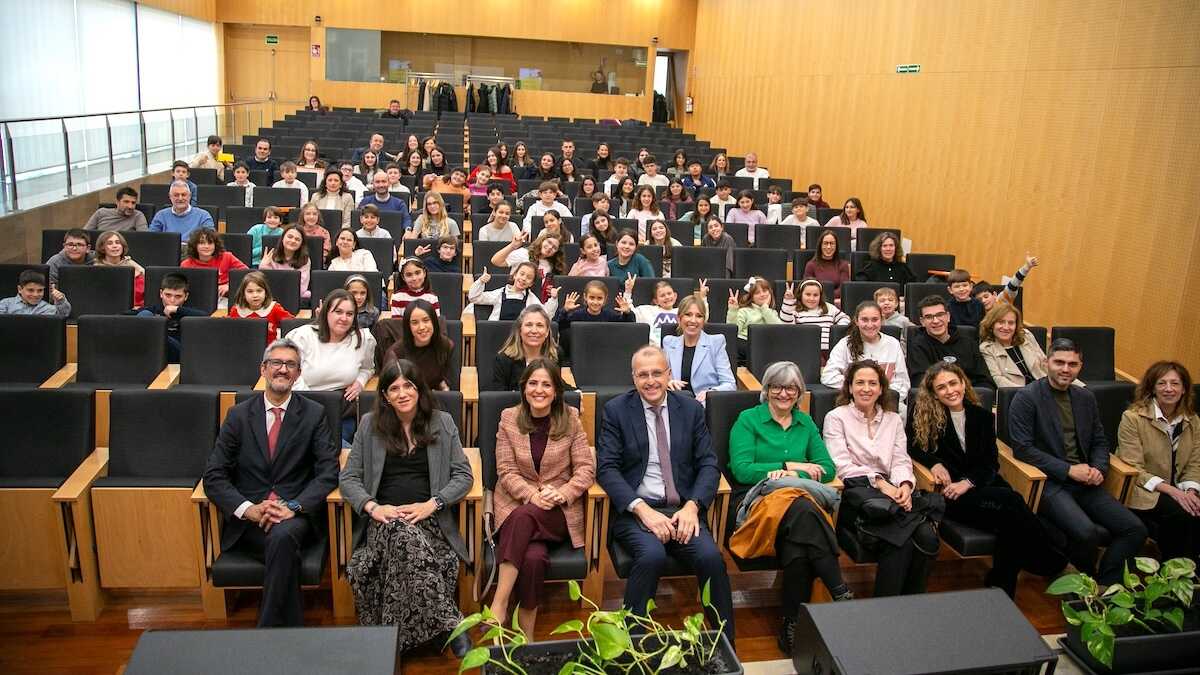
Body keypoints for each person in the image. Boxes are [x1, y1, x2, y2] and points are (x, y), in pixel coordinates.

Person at [597, 345, 735, 644]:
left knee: (711, 557)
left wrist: (693, 507)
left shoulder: (690, 409)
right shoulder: (616, 410)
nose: (650, 381)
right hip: (637, 512)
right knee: (651, 555)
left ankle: (725, 646)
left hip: (682, 509)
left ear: (668, 374)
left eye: (657, 373)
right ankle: (629, 647)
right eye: (643, 375)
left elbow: (709, 464)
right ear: (633, 377)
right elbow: (606, 469)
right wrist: (642, 510)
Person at [338, 359, 473, 657]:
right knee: (401, 532)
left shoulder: (442, 422)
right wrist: (373, 507)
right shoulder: (369, 425)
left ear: (419, 389)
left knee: (406, 539)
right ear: (385, 395)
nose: (402, 394)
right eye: (394, 388)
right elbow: (348, 478)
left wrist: (432, 504)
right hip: (382, 523)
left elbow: (464, 475)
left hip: (430, 522)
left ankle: (390, 644)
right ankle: (451, 624)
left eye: (408, 386)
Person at [202, 337, 338, 627]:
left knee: (283, 536)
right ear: (263, 369)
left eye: (291, 365)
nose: (283, 369)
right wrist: (248, 509)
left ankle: (268, 631)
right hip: (250, 522)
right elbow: (214, 475)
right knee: (282, 544)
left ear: (298, 374)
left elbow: (328, 472)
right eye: (276, 363)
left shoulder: (314, 414)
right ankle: (283, 633)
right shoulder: (238, 416)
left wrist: (293, 506)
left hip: (295, 516)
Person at [909, 362, 1066, 596]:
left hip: (981, 486)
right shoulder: (925, 417)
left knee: (1010, 520)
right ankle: (1047, 560)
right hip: (952, 495)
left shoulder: (982, 417)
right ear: (933, 393)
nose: (950, 390)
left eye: (953, 383)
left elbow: (991, 463)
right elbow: (912, 448)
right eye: (941, 387)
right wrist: (935, 463)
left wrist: (968, 482)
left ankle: (1001, 585)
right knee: (1013, 504)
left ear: (963, 383)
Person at [728, 362, 850, 651]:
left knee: (800, 536)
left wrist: (791, 475)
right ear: (767, 389)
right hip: (758, 500)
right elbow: (742, 470)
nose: (784, 393)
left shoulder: (805, 422)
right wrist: (790, 465)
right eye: (777, 387)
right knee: (804, 509)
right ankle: (839, 590)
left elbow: (827, 469)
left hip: (797, 508)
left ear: (799, 392)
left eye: (791, 388)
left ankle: (790, 624)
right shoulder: (748, 419)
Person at [1009, 339, 1148, 585]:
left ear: (1080, 366)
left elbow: (1099, 441)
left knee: (1135, 529)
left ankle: (1106, 585)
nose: (1065, 369)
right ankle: (1083, 587)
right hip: (1048, 482)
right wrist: (1068, 470)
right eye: (1059, 362)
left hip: (1086, 481)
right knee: (1086, 533)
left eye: (1072, 364)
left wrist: (1099, 469)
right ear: (1046, 362)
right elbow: (1023, 449)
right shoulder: (1027, 397)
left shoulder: (1085, 397)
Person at [488, 359, 595, 636]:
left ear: (556, 390)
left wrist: (562, 493)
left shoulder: (570, 417)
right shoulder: (509, 418)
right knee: (533, 559)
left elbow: (585, 468)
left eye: (546, 384)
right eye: (533, 383)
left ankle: (499, 603)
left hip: (558, 512)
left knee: (524, 517)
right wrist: (531, 495)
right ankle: (527, 638)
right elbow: (506, 470)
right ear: (524, 388)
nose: (539, 390)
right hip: (517, 503)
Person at [825, 359, 938, 597]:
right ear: (849, 387)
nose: (866, 388)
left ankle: (912, 604)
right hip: (858, 497)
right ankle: (886, 608)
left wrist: (904, 485)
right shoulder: (836, 417)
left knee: (928, 537)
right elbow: (841, 465)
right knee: (899, 541)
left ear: (881, 389)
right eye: (860, 383)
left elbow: (900, 459)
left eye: (872, 383)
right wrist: (880, 483)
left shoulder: (893, 419)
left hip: (895, 495)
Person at [1118, 361, 1200, 563]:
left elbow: (1195, 463)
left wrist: (1191, 492)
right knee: (1181, 514)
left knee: (1194, 508)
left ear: (1184, 389)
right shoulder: (1133, 418)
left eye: (1175, 383)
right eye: (1162, 383)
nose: (1169, 389)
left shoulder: (1193, 420)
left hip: (1180, 487)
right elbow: (1134, 468)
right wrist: (1174, 492)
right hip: (1145, 490)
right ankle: (1176, 572)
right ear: (1152, 388)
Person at [286, 289, 377, 444]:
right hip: (302, 407)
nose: (344, 318)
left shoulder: (363, 339)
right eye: (338, 312)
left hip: (341, 413)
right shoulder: (302, 336)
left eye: (349, 314)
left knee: (334, 447)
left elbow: (368, 368)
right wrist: (313, 408)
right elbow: (288, 373)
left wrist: (360, 382)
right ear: (326, 312)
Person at [821, 301, 910, 413]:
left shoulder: (893, 344)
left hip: (886, 402)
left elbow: (902, 381)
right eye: (864, 320)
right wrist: (858, 389)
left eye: (874, 319)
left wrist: (880, 395)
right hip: (853, 402)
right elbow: (828, 376)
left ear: (882, 320)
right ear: (856, 321)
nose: (870, 325)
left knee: (904, 412)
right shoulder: (845, 344)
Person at [978, 303, 1076, 388]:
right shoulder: (987, 348)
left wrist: (1078, 385)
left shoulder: (1026, 336)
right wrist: (1028, 394)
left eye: (1011, 323)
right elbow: (998, 380)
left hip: (1046, 388)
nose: (1006, 327)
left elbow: (1046, 364)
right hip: (1018, 394)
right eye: (1001, 322)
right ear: (992, 324)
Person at [908, 295, 994, 390]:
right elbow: (921, 383)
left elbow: (985, 381)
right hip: (936, 396)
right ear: (922, 322)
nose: (935, 321)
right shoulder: (917, 346)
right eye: (929, 317)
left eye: (940, 315)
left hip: (970, 395)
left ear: (948, 316)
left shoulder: (968, 342)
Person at [662, 295, 735, 403]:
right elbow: (659, 377)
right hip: (676, 403)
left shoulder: (716, 342)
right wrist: (667, 383)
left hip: (704, 405)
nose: (693, 320)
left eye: (699, 316)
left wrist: (710, 393)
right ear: (679, 318)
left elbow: (730, 384)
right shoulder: (669, 342)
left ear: (704, 320)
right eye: (688, 314)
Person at [133, 273, 208, 362]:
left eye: (178, 296)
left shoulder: (190, 313)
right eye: (168, 295)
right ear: (161, 294)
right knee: (145, 315)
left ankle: (156, 333)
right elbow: (122, 317)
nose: (172, 300)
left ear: (186, 296)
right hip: (151, 354)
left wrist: (177, 309)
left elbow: (207, 318)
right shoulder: (153, 310)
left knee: (149, 324)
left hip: (179, 354)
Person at [381, 299, 453, 391]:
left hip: (436, 397)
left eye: (426, 320)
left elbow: (449, 382)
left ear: (434, 322)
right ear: (408, 326)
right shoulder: (395, 354)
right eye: (415, 323)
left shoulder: (446, 346)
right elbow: (390, 390)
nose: (422, 327)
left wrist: (445, 388)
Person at [491, 306, 561, 391]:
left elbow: (559, 386)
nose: (534, 331)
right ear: (520, 330)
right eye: (529, 325)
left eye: (539, 325)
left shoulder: (555, 356)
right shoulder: (503, 360)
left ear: (547, 332)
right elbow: (499, 396)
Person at [469, 263, 559, 323]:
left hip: (519, 336)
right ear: (515, 275)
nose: (523, 278)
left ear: (531, 283)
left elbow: (546, 316)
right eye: (522, 274)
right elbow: (474, 298)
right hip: (496, 332)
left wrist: (553, 299)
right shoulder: (500, 293)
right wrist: (481, 281)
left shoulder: (531, 298)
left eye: (529, 277)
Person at [780, 279, 850, 355]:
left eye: (815, 295)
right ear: (801, 295)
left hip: (830, 351)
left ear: (820, 296)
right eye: (808, 294)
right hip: (804, 351)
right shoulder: (794, 309)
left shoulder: (829, 307)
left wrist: (836, 331)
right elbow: (786, 326)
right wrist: (788, 302)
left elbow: (845, 318)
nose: (811, 298)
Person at [227, 270, 295, 344]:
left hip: (269, 348)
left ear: (266, 293)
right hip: (243, 346)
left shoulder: (274, 308)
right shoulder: (236, 310)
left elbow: (292, 323)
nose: (255, 295)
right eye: (250, 291)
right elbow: (228, 330)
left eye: (259, 291)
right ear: (243, 294)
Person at [181, 227, 247, 299]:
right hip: (198, 298)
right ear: (194, 246)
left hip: (226, 297)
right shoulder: (186, 264)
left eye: (210, 243)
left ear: (215, 245)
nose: (206, 246)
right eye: (202, 243)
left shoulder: (227, 257)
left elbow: (247, 273)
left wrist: (229, 285)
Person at [727, 277, 781, 363]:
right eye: (757, 293)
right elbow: (733, 331)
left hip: (765, 345)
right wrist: (733, 310)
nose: (762, 294)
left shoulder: (772, 312)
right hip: (745, 343)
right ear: (751, 297)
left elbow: (779, 329)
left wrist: (765, 308)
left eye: (765, 291)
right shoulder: (744, 311)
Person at [93, 231, 147, 307]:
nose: (114, 246)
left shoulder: (133, 266)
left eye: (118, 243)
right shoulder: (96, 268)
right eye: (110, 243)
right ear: (102, 248)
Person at [259, 224, 312, 300]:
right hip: (271, 298)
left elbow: (301, 289)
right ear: (282, 238)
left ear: (301, 244)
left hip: (294, 298)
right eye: (290, 237)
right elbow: (264, 285)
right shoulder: (270, 256)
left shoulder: (304, 260)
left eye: (297, 239)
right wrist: (263, 267)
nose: (293, 241)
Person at [973, 254, 1040, 312]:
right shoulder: (977, 313)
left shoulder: (1001, 301)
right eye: (979, 300)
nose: (983, 301)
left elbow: (1013, 284)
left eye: (986, 296)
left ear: (994, 295)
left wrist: (1026, 267)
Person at [149, 181, 214, 238]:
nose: (180, 198)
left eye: (183, 195)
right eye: (176, 195)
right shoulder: (160, 215)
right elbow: (151, 238)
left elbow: (210, 239)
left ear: (190, 196)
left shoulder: (203, 216)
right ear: (170, 196)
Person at [803, 229, 851, 304]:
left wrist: (826, 297)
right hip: (815, 302)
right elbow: (808, 288)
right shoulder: (811, 265)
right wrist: (821, 298)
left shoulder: (843, 265)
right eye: (825, 243)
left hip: (836, 303)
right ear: (820, 245)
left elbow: (843, 289)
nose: (829, 247)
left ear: (836, 246)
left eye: (832, 243)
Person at [0, 269, 70, 317]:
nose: (35, 294)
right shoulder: (5, 304)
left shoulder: (48, 308)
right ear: (20, 289)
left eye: (40, 290)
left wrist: (60, 301)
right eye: (30, 290)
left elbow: (63, 316)